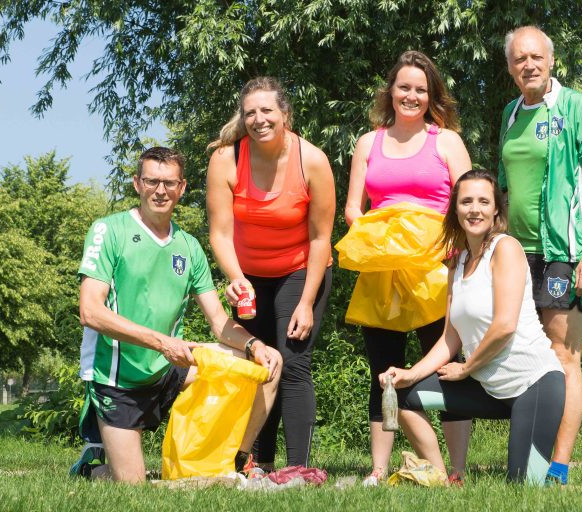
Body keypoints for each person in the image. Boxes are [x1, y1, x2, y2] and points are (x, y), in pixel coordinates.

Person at [70, 147, 282, 483]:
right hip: (118, 379)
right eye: (152, 181)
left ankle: (236, 459)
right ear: (137, 184)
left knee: (266, 363)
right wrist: (162, 342)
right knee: (132, 487)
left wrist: (255, 344)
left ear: (182, 188)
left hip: (171, 366)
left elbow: (217, 321)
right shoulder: (108, 230)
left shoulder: (189, 246)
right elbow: (90, 311)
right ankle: (92, 468)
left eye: (169, 183)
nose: (160, 190)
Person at [380, 169, 565, 485]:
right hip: (488, 389)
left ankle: (539, 476)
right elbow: (451, 336)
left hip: (534, 386)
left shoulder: (506, 249)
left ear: (496, 209)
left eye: (483, 201)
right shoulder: (458, 262)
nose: (474, 209)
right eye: (466, 201)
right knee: (406, 395)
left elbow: (504, 326)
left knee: (523, 488)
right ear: (455, 209)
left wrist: (466, 369)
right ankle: (443, 479)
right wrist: (410, 373)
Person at [498, 26, 582, 485]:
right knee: (521, 351)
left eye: (535, 56)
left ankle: (558, 468)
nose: (527, 64)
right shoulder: (509, 114)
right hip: (516, 253)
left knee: (562, 354)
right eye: (518, 59)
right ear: (510, 68)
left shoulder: (579, 109)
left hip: (566, 251)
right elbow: (503, 191)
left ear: (551, 61)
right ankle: (527, 458)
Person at [345, 50, 472, 485]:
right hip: (381, 273)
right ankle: (378, 469)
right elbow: (352, 210)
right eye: (404, 87)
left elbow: (469, 202)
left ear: (431, 95)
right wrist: (380, 244)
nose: (412, 96)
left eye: (421, 89)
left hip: (436, 272)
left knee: (444, 368)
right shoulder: (368, 142)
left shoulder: (448, 141)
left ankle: (455, 470)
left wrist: (448, 250)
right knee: (382, 370)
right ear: (390, 91)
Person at [206, 77, 335, 469]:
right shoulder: (226, 160)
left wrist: (307, 302)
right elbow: (220, 233)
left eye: (267, 111)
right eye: (250, 113)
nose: (259, 119)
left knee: (293, 363)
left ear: (285, 115)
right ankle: (259, 464)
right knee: (259, 363)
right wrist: (234, 277)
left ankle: (299, 468)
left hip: (301, 270)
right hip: (250, 275)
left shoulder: (311, 160)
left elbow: (320, 238)